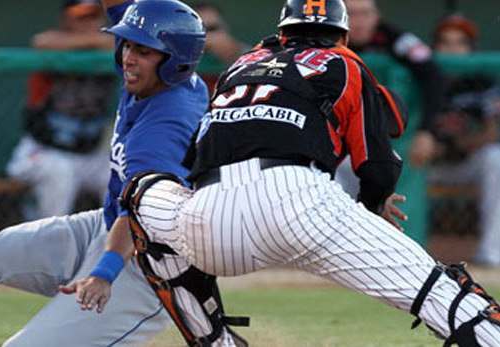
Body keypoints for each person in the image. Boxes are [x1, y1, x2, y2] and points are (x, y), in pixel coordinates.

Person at [68, 0, 500, 346]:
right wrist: (371, 210)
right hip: (302, 203)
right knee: (437, 291)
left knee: (141, 192)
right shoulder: (344, 61)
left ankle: (213, 339)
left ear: (281, 32)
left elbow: (193, 158)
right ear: (344, 35)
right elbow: (378, 164)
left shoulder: (240, 65)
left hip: (211, 221)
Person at [0, 0, 208, 346]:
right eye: (128, 43)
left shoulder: (167, 123)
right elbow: (120, 7)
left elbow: (142, 216)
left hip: (149, 266)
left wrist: (102, 274)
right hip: (104, 227)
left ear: (175, 63)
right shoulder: (155, 76)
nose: (128, 56)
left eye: (143, 50)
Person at [6, 0, 115, 219]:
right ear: (65, 20)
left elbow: (136, 47)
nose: (87, 23)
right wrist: (96, 40)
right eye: (80, 16)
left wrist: (106, 42)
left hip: (89, 155)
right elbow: (41, 42)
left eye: (92, 16)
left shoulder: (114, 47)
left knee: (118, 174)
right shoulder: (54, 42)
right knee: (59, 171)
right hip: (42, 151)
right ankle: (48, 244)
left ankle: (113, 248)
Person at [428, 14, 500, 266]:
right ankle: (404, 251)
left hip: (466, 163)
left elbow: (491, 134)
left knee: (496, 158)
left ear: (471, 49)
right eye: (446, 43)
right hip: (426, 165)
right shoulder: (422, 79)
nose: (453, 49)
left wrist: (453, 144)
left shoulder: (482, 82)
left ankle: (492, 253)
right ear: (435, 48)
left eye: (460, 43)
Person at [343, 0, 446, 168]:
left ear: (377, 16)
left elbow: (433, 75)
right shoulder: (325, 37)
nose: (359, 20)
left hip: (380, 135)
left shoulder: (391, 36)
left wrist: (426, 130)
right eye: (351, 14)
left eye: (365, 13)